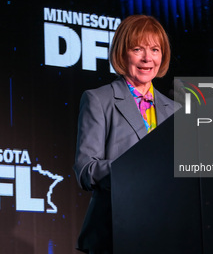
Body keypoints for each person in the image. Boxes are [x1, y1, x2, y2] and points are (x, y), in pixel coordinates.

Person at [73, 15, 180, 254]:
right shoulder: (99, 100)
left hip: (168, 233)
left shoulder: (176, 110)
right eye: (137, 49)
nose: (147, 58)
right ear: (122, 53)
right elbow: (85, 169)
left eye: (155, 49)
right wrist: (133, 168)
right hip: (115, 233)